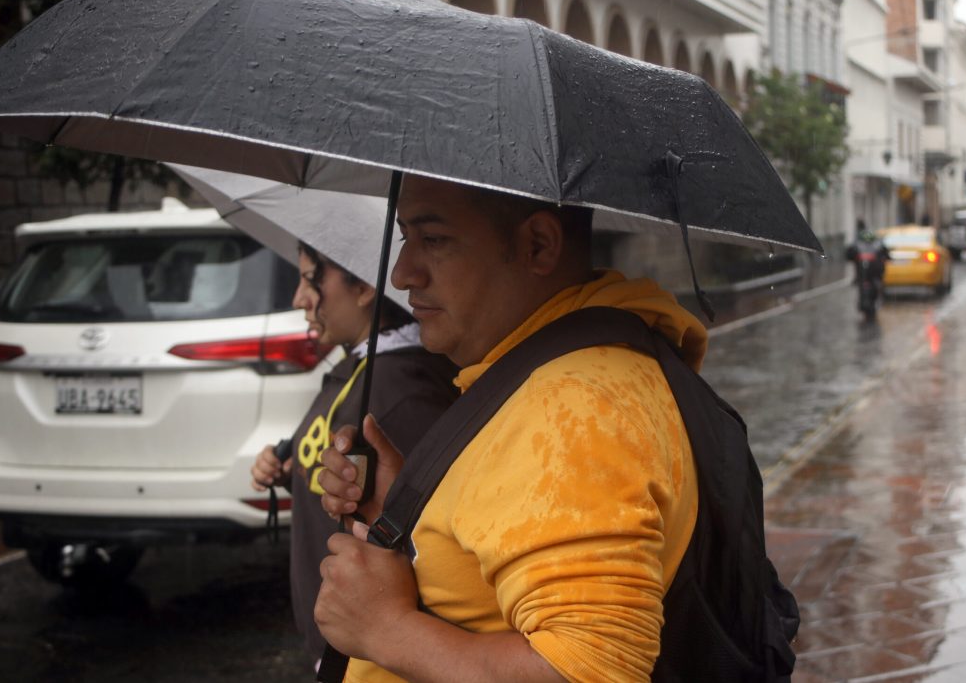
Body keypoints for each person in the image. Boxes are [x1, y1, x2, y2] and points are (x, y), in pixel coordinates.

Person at [314, 174, 708, 681]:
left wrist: (385, 629)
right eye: (406, 237)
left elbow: (587, 671)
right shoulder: (553, 373)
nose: (402, 273)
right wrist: (412, 511)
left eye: (433, 240)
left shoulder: (573, 405)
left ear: (538, 245)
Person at [248, 242, 457, 667]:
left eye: (312, 279)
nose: (299, 299)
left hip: (369, 654)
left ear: (364, 286)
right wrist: (293, 468)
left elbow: (423, 528)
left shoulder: (400, 389)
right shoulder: (358, 369)